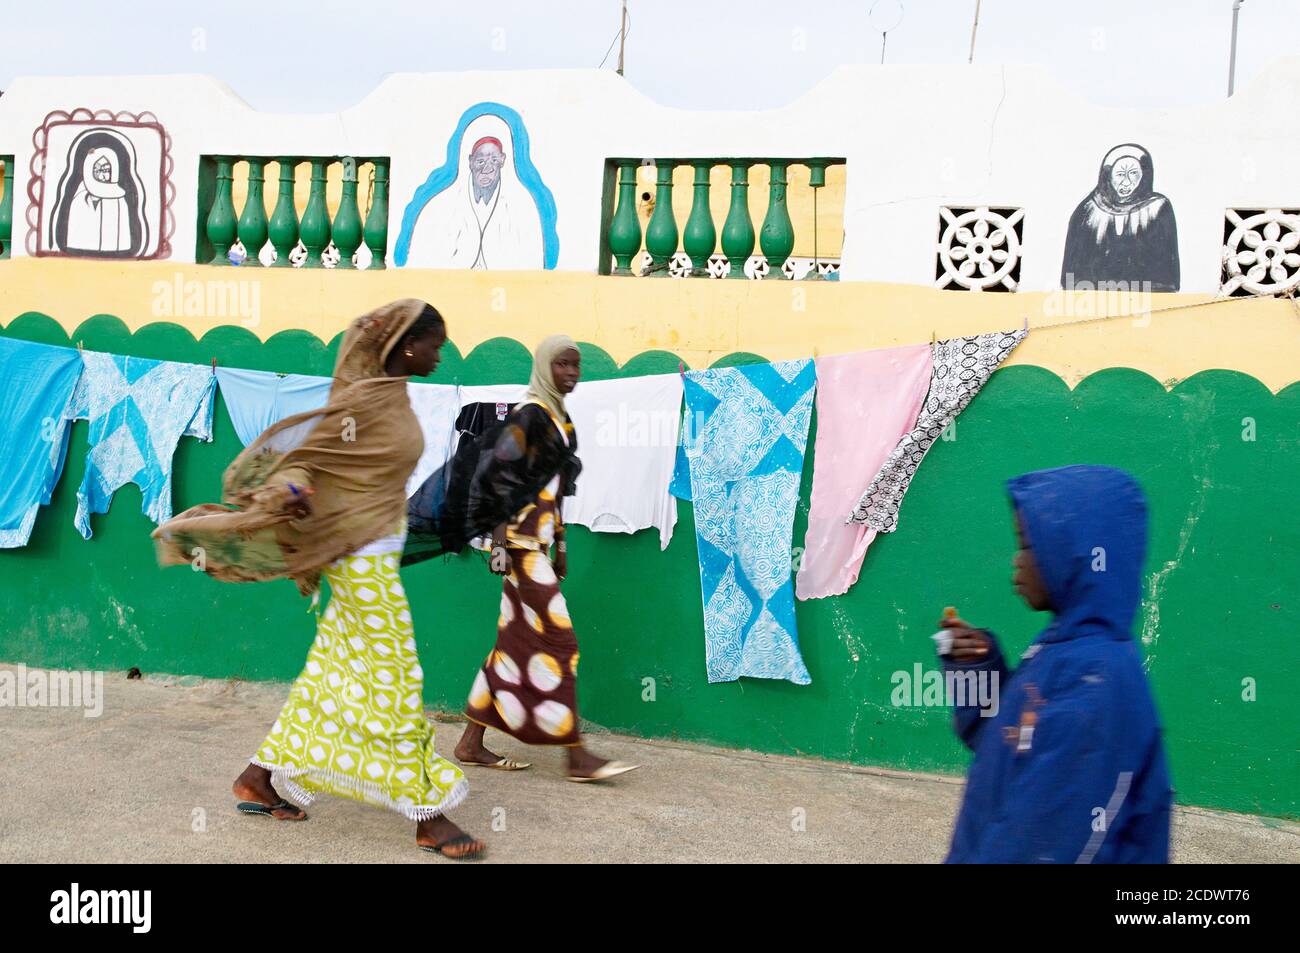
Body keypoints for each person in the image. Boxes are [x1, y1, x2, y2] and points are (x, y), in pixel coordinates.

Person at [153, 299, 484, 860]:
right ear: (405, 344)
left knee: (330, 676)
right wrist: (292, 489)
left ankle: (257, 777)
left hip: (375, 549)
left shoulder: (390, 393)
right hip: (357, 558)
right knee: (396, 677)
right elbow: (310, 456)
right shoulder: (361, 402)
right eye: (435, 343)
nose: (441, 353)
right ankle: (429, 816)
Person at [937, 464, 1172, 863]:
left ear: (1075, 553)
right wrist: (978, 670)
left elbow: (1045, 844)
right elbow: (1003, 742)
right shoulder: (1062, 649)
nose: (1017, 561)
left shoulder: (1095, 683)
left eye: (1028, 545)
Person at [452, 335, 639, 782]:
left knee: (512, 643)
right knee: (560, 643)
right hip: (516, 544)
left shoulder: (560, 420)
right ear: (543, 366)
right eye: (562, 365)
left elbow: (554, 491)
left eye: (576, 366)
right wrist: (498, 544)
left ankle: (470, 742)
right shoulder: (530, 415)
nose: (572, 374)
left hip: (535, 544)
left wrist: (561, 544)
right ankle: (576, 754)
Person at [1060, 143, 1180, 293]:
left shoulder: (1158, 209)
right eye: (1120, 174)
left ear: (1144, 174)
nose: (1126, 182)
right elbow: (1071, 278)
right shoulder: (1087, 211)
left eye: (1133, 173)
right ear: (1108, 175)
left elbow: (1166, 278)